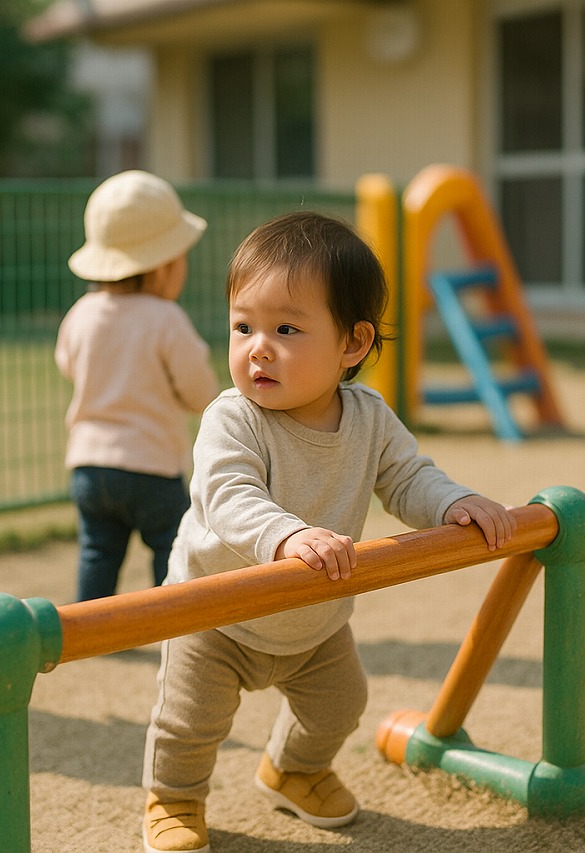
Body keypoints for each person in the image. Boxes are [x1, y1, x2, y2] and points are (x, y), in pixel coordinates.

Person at [140, 210, 516, 853]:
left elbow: (407, 478)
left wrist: (453, 503)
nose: (258, 346)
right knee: (191, 723)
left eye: (286, 328)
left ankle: (294, 769)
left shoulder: (369, 418)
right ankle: (174, 798)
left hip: (313, 614)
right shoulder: (233, 418)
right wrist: (286, 537)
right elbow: (228, 497)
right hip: (218, 610)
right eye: (243, 326)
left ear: (353, 344)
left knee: (342, 702)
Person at [56, 171, 220, 601]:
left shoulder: (82, 312)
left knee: (98, 552)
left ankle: (92, 631)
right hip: (151, 467)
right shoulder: (166, 319)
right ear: (164, 265)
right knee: (171, 548)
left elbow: (68, 364)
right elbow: (199, 390)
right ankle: (169, 624)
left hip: (89, 465)